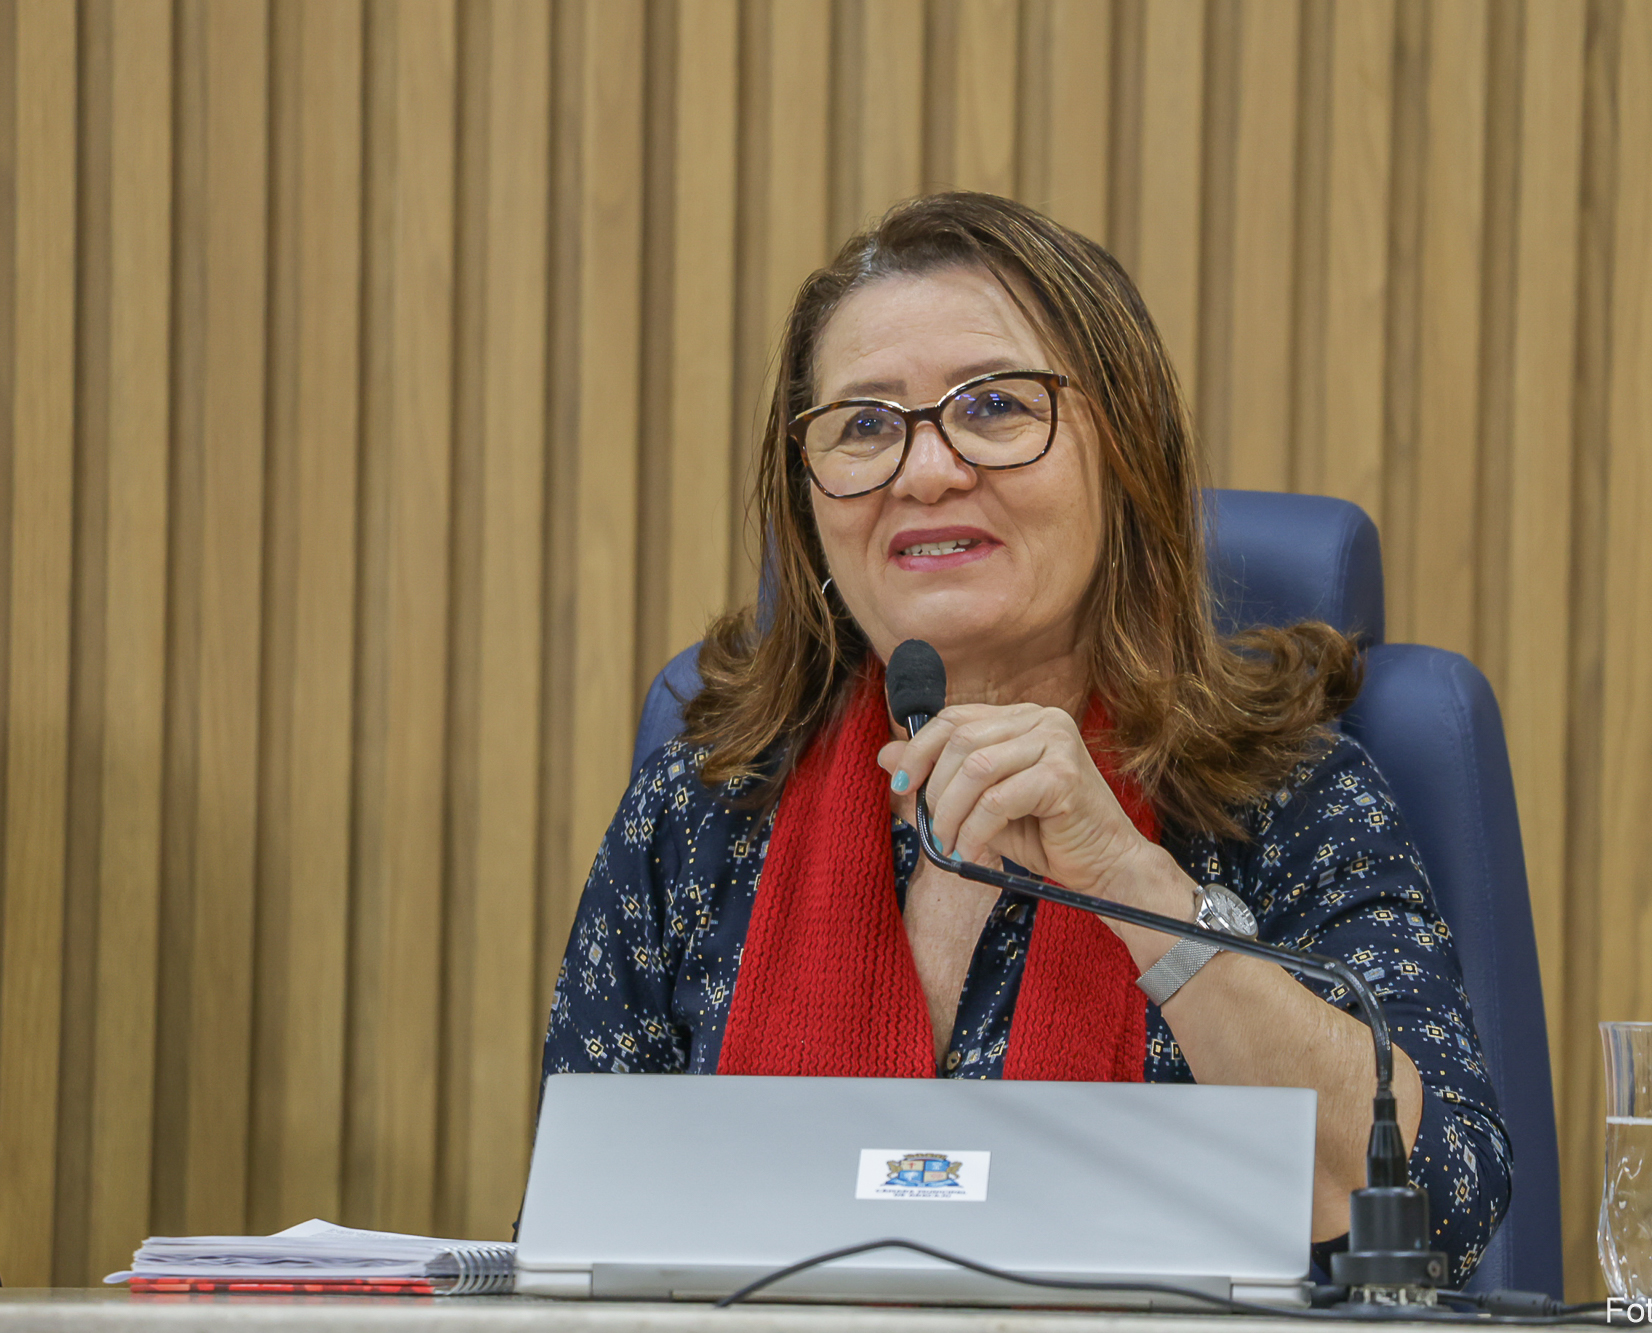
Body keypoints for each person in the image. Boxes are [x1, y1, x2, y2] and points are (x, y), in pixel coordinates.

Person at [542, 192, 1510, 1279]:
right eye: (863, 425)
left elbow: (1436, 1204)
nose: (925, 471)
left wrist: (1140, 889)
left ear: (1126, 454)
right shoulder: (699, 809)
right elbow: (578, 1235)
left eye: (996, 405)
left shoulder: (1282, 794)